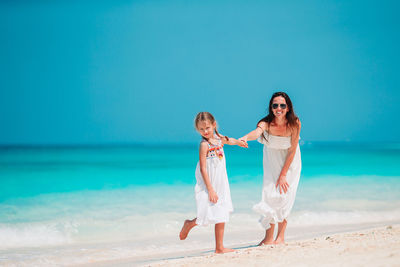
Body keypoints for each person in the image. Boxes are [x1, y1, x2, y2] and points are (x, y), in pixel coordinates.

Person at [240, 92, 302, 245]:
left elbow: (292, 150)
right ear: (271, 107)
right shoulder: (266, 123)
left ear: (288, 108)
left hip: (291, 163)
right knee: (269, 195)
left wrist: (283, 175)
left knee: (285, 197)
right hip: (271, 161)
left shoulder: (295, 123)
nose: (278, 108)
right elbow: (257, 132)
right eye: (275, 105)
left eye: (282, 105)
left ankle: (280, 237)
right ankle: (268, 238)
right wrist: (245, 137)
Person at [179, 111, 245, 253]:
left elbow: (230, 140)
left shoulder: (219, 139)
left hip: (221, 181)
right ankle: (190, 224)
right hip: (209, 181)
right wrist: (210, 189)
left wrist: (239, 142)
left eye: (207, 128)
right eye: (201, 129)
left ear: (214, 125)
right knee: (208, 211)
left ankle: (219, 247)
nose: (205, 131)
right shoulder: (204, 145)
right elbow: (203, 168)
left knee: (221, 211)